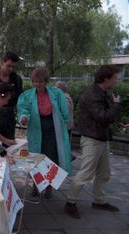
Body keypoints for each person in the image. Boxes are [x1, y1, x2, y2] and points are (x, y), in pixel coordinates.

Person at [65, 65, 121, 219]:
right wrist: (116, 106)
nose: (117, 81)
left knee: (104, 173)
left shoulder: (102, 93)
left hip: (101, 138)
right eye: (115, 78)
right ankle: (70, 202)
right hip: (92, 139)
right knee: (85, 173)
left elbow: (107, 116)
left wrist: (113, 107)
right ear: (106, 79)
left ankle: (99, 200)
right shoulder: (92, 95)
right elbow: (102, 117)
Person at [17, 67, 71, 199]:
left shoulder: (56, 93)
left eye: (40, 81)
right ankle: (35, 186)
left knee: (51, 160)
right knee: (36, 160)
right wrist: (24, 117)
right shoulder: (27, 95)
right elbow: (23, 110)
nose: (37, 84)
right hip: (36, 131)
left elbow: (64, 112)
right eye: (35, 81)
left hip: (52, 132)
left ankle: (48, 188)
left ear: (46, 81)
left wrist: (62, 125)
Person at [55, 81, 76, 161]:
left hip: (65, 125)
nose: (56, 89)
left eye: (59, 87)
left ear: (63, 88)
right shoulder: (62, 96)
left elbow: (66, 108)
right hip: (66, 125)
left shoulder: (65, 97)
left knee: (63, 142)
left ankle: (68, 156)